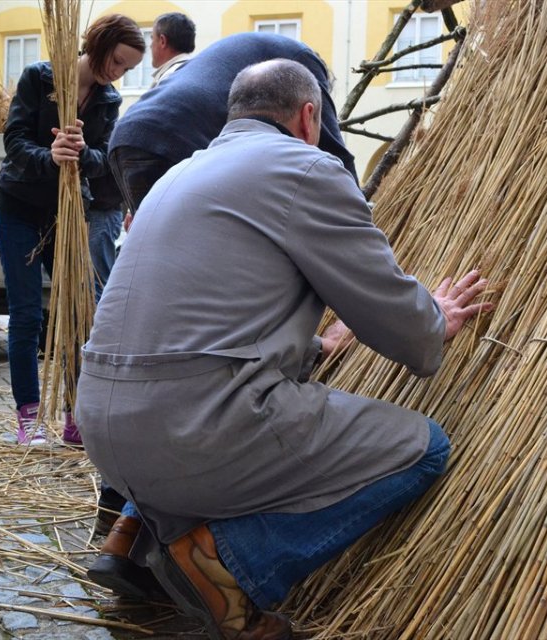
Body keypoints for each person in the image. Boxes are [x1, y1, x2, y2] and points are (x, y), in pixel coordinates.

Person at [75, 60, 493, 638]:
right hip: (188, 429)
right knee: (423, 447)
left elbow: (199, 322)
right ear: (308, 116)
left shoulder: (180, 174)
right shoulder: (305, 168)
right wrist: (432, 321)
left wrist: (317, 344)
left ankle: (133, 536)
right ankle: (225, 566)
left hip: (103, 426)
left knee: (199, 440)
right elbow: (387, 305)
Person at [0, 14, 144, 446]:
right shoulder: (40, 78)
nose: (117, 73)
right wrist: (51, 155)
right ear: (99, 45)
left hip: (70, 215)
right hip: (20, 210)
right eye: (117, 61)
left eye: (127, 68)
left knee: (76, 314)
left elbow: (105, 159)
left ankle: (75, 412)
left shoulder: (108, 100)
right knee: (27, 315)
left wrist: (81, 152)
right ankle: (29, 417)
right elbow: (14, 141)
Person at [107, 32, 357, 224]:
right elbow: (335, 157)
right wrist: (359, 220)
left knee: (158, 242)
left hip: (126, 136)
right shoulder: (304, 66)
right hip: (177, 138)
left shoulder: (252, 58)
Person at [149, 12, 195, 87]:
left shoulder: (168, 79)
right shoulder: (195, 71)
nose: (150, 46)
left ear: (162, 41)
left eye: (152, 39)